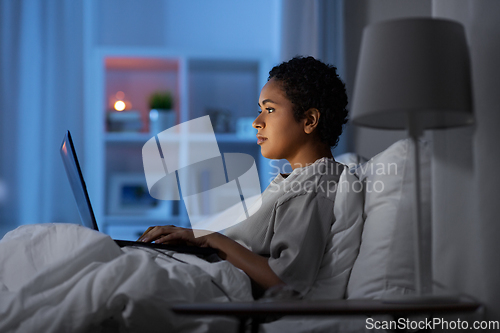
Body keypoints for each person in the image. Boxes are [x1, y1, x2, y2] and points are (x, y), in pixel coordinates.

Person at [138, 56, 349, 298]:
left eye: (270, 110)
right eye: (260, 110)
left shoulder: (315, 184)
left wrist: (210, 240)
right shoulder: (299, 179)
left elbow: (285, 282)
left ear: (309, 120)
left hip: (217, 286)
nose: (257, 122)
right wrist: (198, 242)